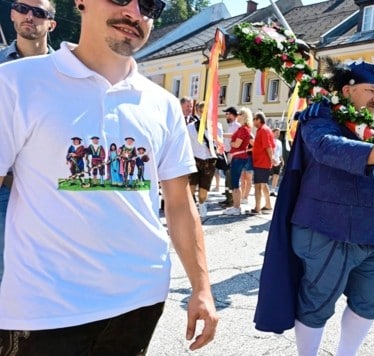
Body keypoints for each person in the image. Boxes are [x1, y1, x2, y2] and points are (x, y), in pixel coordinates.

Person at [0, 0, 218, 352]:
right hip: (44, 308)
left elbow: (179, 203)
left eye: (149, 4)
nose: (134, 12)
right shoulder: (15, 84)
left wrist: (202, 288)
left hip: (140, 300)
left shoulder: (162, 104)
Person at [254, 60, 374, 355]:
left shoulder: (369, 129)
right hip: (328, 229)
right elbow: (327, 147)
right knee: (317, 303)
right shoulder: (320, 116)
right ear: (347, 89)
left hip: (373, 233)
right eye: (370, 90)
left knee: (373, 299)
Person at [0, 0, 57, 285]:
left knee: (47, 274)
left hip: (47, 190)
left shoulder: (65, 72)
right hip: (3, 190)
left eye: (39, 12)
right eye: (23, 8)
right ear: (12, 13)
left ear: (51, 24)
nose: (29, 16)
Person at [186, 100, 218, 217]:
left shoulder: (215, 126)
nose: (204, 113)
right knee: (191, 188)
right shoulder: (190, 127)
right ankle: (190, 209)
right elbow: (187, 145)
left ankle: (202, 205)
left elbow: (219, 144)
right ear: (198, 112)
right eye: (201, 111)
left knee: (203, 191)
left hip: (209, 161)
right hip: (195, 160)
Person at [224, 108, 253, 216]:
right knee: (236, 182)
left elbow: (236, 144)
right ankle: (236, 206)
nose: (237, 115)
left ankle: (236, 207)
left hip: (238, 157)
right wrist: (222, 135)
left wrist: (230, 143)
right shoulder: (244, 128)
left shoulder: (243, 129)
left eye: (239, 114)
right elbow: (234, 137)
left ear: (243, 116)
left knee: (235, 183)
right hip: (240, 157)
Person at [249, 111, 274, 215]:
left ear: (259, 120)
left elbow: (267, 146)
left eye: (254, 119)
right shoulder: (263, 130)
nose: (253, 121)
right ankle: (268, 205)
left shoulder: (263, 130)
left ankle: (257, 208)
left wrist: (271, 159)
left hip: (261, 163)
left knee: (258, 186)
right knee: (263, 185)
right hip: (262, 162)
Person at [219, 106, 240, 207]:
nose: (226, 116)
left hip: (233, 155)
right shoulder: (231, 126)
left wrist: (220, 135)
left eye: (228, 114)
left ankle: (231, 200)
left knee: (230, 178)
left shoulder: (236, 126)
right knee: (227, 178)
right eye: (226, 114)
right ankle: (228, 197)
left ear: (234, 115)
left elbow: (234, 137)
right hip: (227, 154)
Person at [270, 128, 283, 196]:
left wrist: (282, 161)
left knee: (276, 176)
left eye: (279, 133)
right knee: (269, 176)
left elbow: (280, 153)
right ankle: (263, 189)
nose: (278, 134)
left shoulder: (279, 142)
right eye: (276, 133)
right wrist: (272, 159)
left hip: (277, 161)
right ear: (273, 133)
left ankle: (273, 190)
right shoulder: (269, 140)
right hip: (270, 160)